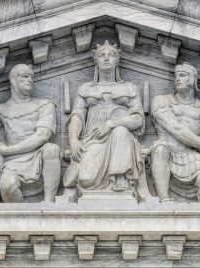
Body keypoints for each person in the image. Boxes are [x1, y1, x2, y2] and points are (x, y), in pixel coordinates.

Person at [64, 41, 152, 200]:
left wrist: (111, 124)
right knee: (85, 178)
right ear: (95, 60)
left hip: (122, 142)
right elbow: (77, 116)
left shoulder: (130, 88)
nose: (106, 58)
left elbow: (138, 119)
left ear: (117, 60)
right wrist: (73, 140)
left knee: (120, 131)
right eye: (101, 55)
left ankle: (120, 181)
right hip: (92, 141)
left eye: (111, 55)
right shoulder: (85, 89)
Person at [0, 65, 60, 202]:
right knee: (7, 185)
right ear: (13, 80)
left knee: (51, 148)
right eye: (24, 76)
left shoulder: (44, 105)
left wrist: (9, 150)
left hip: (37, 156)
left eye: (31, 77)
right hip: (11, 162)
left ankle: (49, 203)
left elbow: (43, 136)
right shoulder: (2, 110)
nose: (30, 80)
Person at [149, 63, 200, 202]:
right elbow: (175, 128)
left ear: (192, 80)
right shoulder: (161, 101)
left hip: (190, 156)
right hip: (166, 153)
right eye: (175, 75)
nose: (177, 79)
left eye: (182, 75)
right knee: (160, 148)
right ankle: (163, 198)